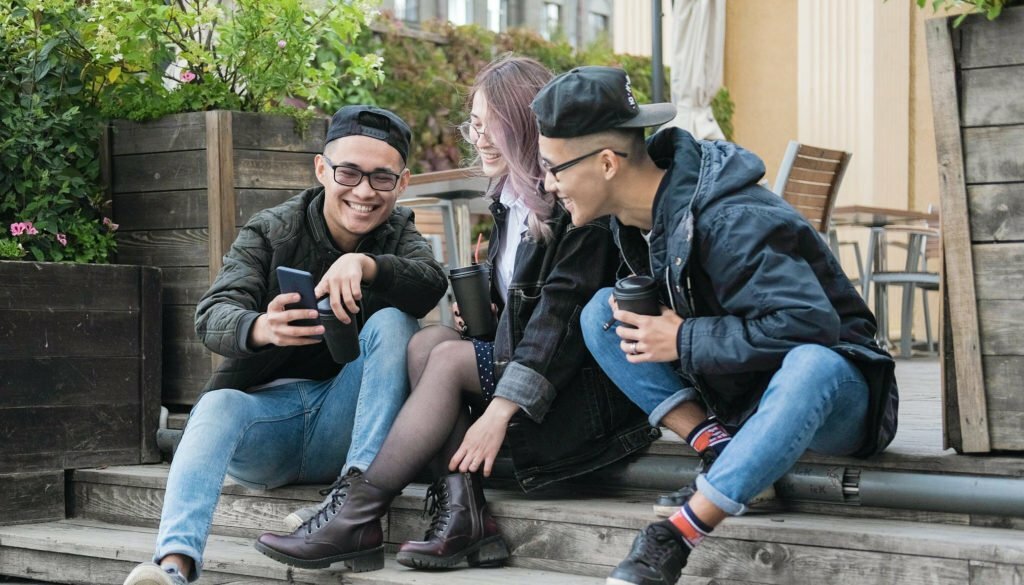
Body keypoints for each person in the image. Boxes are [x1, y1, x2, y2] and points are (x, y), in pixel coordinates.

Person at [253, 54, 654, 573]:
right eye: (476, 124)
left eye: (495, 126)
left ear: (530, 129)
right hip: (536, 374)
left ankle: (358, 514)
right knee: (429, 343)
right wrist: (492, 308)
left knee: (443, 360)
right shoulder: (512, 201)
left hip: (580, 404)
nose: (481, 139)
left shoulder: (577, 206)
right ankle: (463, 515)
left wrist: (499, 410)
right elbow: (528, 312)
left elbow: (556, 326)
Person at [530, 66, 899, 585]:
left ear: (607, 163)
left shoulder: (731, 220)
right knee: (602, 312)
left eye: (553, 169)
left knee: (812, 363)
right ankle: (721, 449)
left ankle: (675, 536)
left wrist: (681, 338)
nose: (548, 184)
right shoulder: (638, 219)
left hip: (838, 396)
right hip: (742, 396)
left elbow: (810, 326)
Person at [122, 106, 448, 585]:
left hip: (344, 421)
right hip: (266, 429)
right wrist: (260, 327)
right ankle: (173, 566)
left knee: (396, 322)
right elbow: (212, 314)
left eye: (381, 178)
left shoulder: (397, 231)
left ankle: (351, 509)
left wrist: (368, 266)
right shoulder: (273, 229)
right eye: (349, 172)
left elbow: (430, 284)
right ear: (321, 169)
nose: (363, 191)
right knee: (216, 405)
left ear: (401, 184)